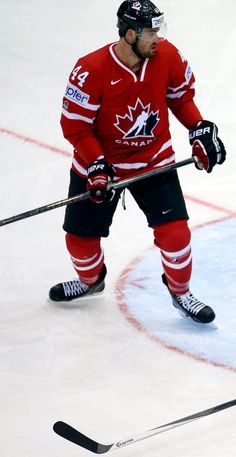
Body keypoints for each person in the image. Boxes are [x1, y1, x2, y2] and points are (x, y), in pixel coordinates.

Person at [49, 0, 226, 324]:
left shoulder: (167, 55)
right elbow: (75, 127)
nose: (157, 38)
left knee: (176, 235)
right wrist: (97, 164)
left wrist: (198, 128)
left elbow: (181, 98)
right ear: (130, 34)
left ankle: (180, 291)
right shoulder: (90, 69)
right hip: (102, 167)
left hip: (154, 161)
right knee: (79, 239)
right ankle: (91, 281)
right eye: (150, 32)